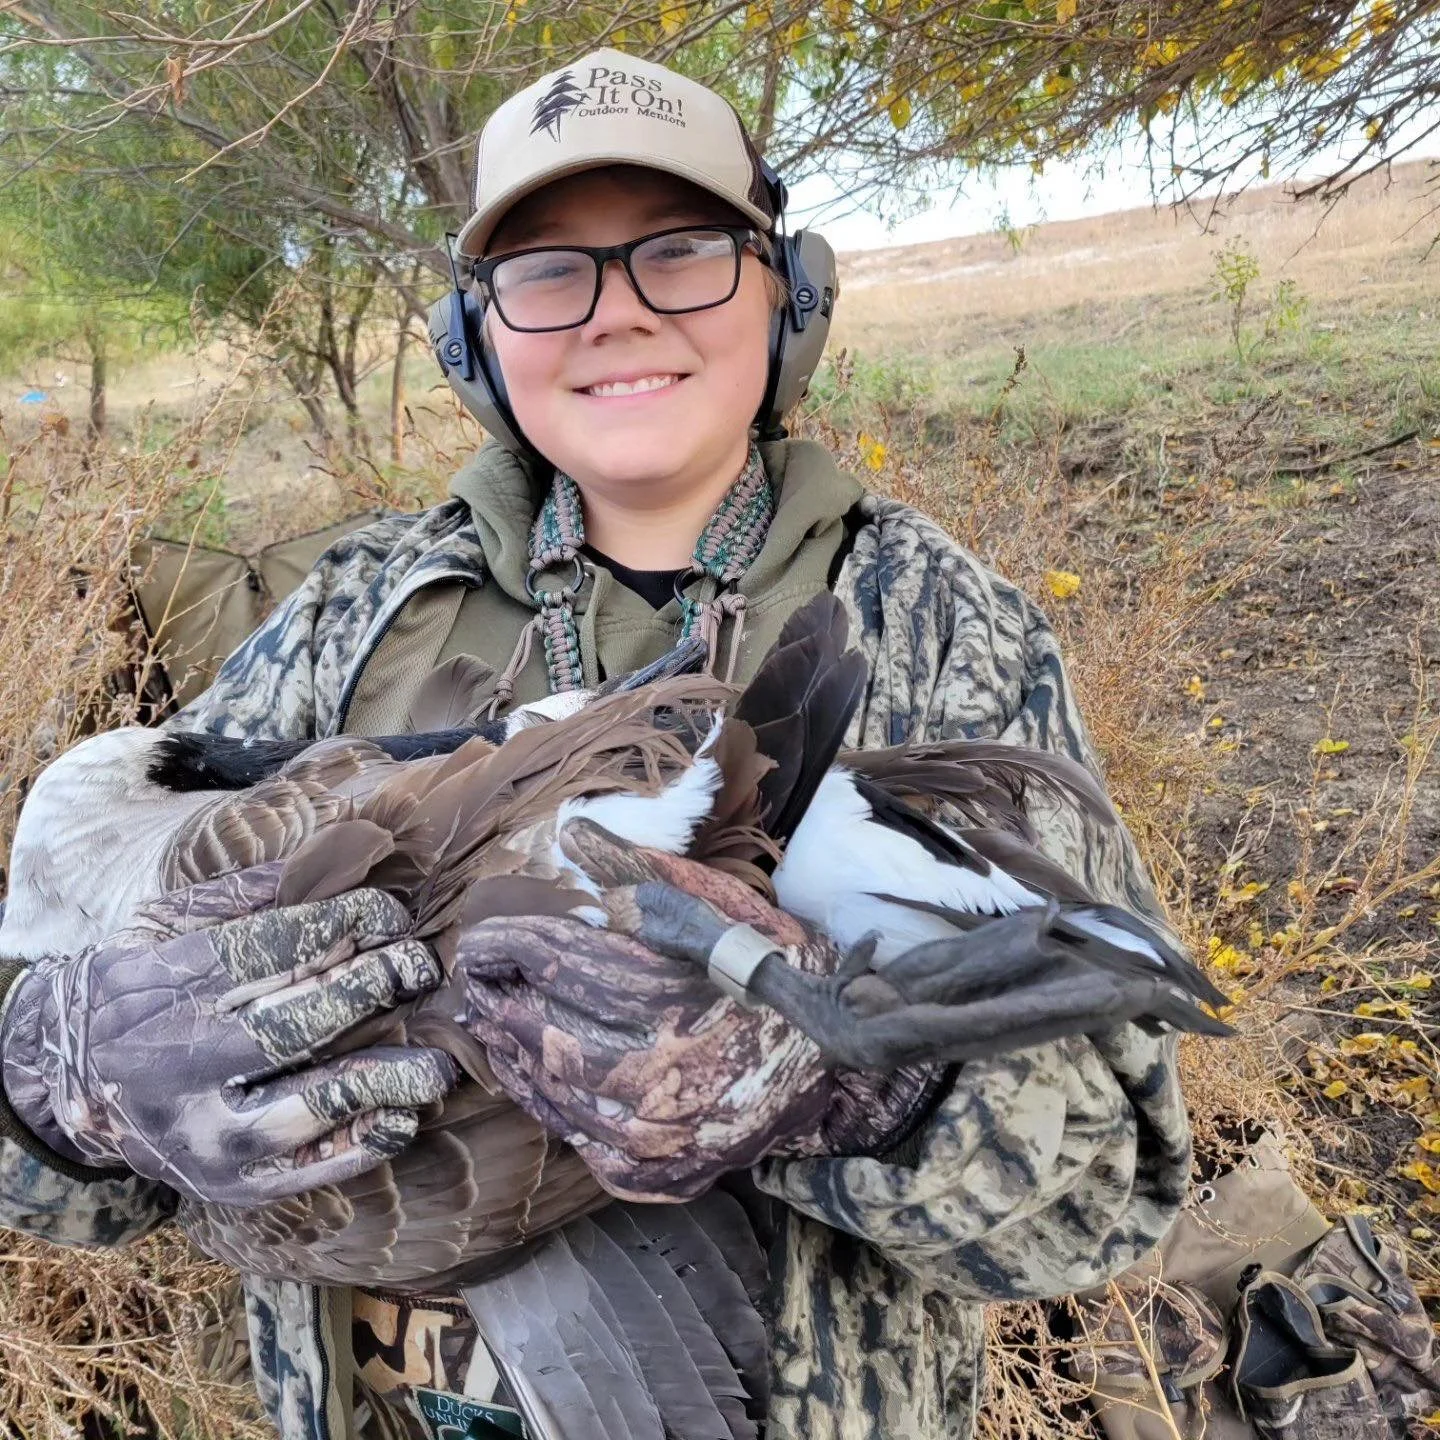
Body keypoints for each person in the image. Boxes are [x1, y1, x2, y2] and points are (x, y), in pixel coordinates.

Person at [0, 47, 1193, 1440]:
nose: (616, 316)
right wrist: (66, 1084)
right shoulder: (341, 624)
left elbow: (1102, 1208)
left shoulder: (943, 635)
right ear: (475, 335)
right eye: (549, 271)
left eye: (679, 252)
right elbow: (71, 1182)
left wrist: (846, 1076)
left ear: (786, 294)